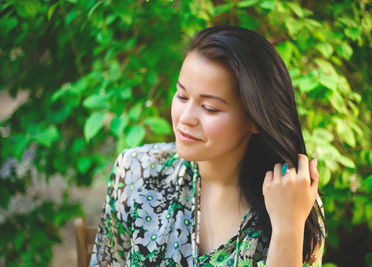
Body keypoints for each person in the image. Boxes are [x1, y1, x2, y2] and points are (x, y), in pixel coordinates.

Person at [89, 25, 325, 267]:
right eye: (182, 96)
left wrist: (287, 227)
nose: (185, 117)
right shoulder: (136, 171)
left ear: (255, 118)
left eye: (209, 108)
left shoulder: (293, 199)